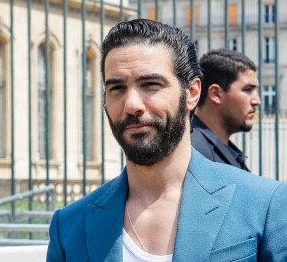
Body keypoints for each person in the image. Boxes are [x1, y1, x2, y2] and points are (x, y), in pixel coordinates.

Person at [47, 19, 287, 262]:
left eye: (150, 84)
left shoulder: (265, 206)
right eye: (117, 88)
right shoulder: (69, 227)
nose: (132, 105)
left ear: (192, 93)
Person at [191, 49, 261, 171]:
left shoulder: (213, 147)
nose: (257, 101)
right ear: (216, 94)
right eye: (248, 90)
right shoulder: (194, 152)